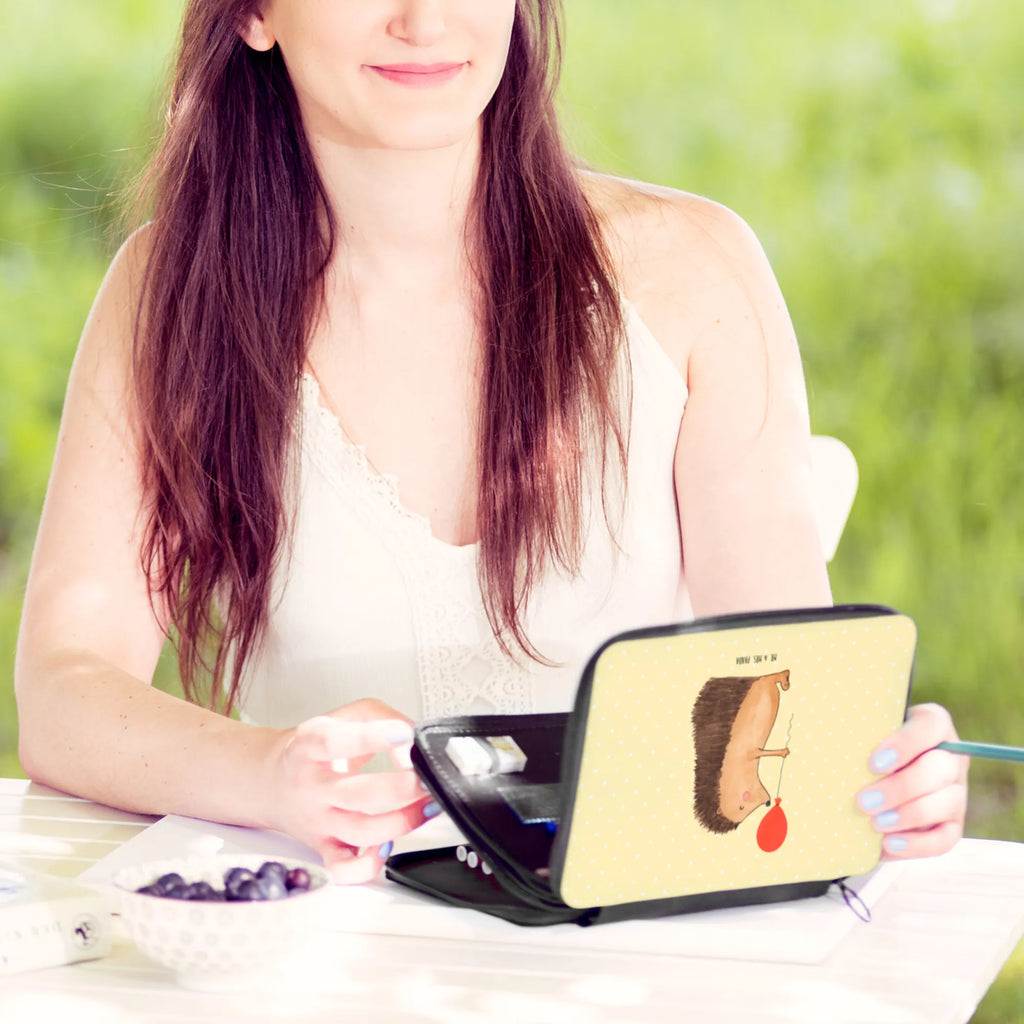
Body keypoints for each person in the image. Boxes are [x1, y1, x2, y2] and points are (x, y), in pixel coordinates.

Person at [14, 0, 967, 884]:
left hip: (641, 935)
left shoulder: (692, 275)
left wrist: (884, 776)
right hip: (320, 942)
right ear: (256, 13)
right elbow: (63, 696)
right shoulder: (175, 294)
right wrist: (269, 771)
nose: (424, 20)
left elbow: (790, 690)